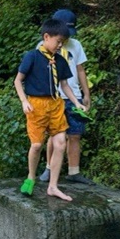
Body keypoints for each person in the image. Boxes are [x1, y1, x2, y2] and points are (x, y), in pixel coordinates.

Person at [14, 18, 88, 202]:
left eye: (62, 42)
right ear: (46, 37)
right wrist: (24, 101)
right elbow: (17, 80)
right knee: (37, 145)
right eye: (58, 41)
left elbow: (64, 85)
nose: (60, 45)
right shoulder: (32, 56)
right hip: (36, 105)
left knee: (61, 143)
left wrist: (76, 102)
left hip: (56, 104)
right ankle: (31, 177)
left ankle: (53, 186)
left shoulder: (61, 60)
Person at [39, 9, 95, 185]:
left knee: (75, 134)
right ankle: (49, 168)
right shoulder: (43, 45)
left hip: (74, 96)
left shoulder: (76, 45)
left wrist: (86, 94)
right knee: (55, 135)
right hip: (53, 97)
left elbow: (80, 69)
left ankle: (74, 171)